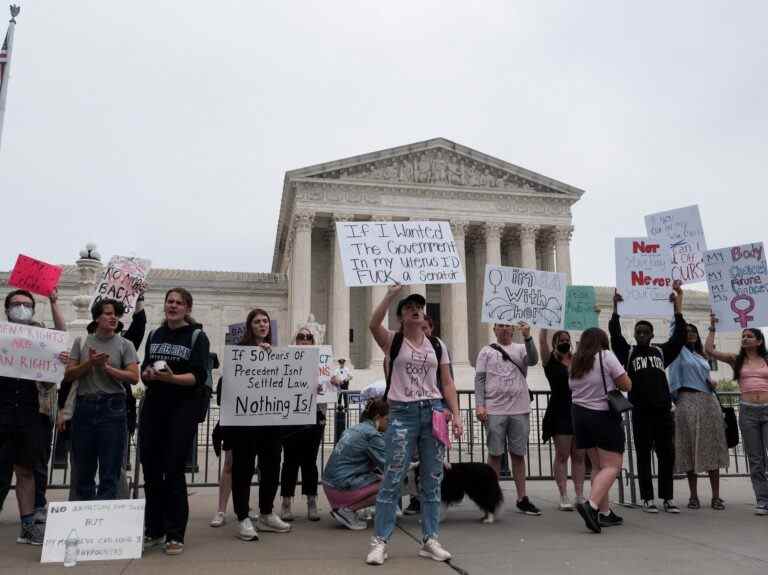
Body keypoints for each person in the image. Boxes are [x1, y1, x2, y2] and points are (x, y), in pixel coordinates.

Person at [365, 286, 463, 566]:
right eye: (409, 307)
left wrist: (455, 414)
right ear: (401, 317)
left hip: (433, 411)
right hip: (402, 414)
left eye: (419, 306)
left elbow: (447, 382)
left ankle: (430, 538)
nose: (416, 309)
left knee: (432, 480)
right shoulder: (393, 341)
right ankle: (380, 541)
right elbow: (372, 324)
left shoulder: (437, 345)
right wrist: (389, 296)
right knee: (392, 478)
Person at [139, 288, 211, 555]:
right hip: (154, 407)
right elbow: (145, 368)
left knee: (173, 470)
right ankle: (154, 529)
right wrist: (147, 374)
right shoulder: (154, 335)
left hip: (181, 410)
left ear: (187, 308)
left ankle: (175, 533)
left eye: (179, 303)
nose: (173, 306)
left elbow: (198, 376)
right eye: (170, 301)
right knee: (151, 470)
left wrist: (171, 379)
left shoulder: (196, 337)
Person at [609, 281, 686, 513]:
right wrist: (615, 309)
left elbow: (679, 337)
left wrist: (677, 308)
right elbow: (615, 336)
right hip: (640, 411)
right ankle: (647, 498)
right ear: (635, 335)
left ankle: (668, 498)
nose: (642, 334)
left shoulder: (661, 352)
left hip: (663, 411)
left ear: (652, 335)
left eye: (645, 332)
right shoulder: (629, 352)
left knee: (666, 455)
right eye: (638, 332)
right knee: (643, 455)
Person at [0, 288, 67, 545]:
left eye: (26, 304)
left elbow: (60, 337)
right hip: (2, 408)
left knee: (26, 469)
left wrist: (54, 301)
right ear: (7, 309)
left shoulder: (41, 336)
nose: (21, 308)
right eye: (16, 304)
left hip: (30, 411)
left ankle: (28, 524)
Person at [61, 299, 139, 500]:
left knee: (110, 469)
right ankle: (84, 519)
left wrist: (107, 369)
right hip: (85, 407)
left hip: (113, 407)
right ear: (97, 317)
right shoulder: (82, 342)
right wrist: (90, 364)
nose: (113, 317)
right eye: (108, 313)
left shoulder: (125, 344)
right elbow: (69, 374)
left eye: (116, 314)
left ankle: (104, 520)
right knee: (83, 469)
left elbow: (133, 377)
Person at [226, 308, 291, 542]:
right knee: (243, 469)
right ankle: (243, 516)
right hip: (245, 423)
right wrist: (254, 355)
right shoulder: (240, 352)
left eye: (265, 321)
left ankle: (266, 512)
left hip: (271, 421)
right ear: (249, 326)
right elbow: (229, 383)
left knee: (273, 466)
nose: (262, 325)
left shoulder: (278, 353)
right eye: (257, 322)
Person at [569, 327, 632, 533]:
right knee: (613, 465)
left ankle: (604, 513)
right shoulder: (606, 356)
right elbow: (626, 384)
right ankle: (591, 505)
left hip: (579, 415)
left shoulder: (576, 362)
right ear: (603, 341)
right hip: (602, 415)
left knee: (597, 466)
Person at [474, 322, 541, 516]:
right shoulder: (486, 351)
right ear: (494, 329)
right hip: (494, 408)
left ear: (513, 330)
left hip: (519, 408)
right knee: (494, 454)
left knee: (518, 454)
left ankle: (522, 498)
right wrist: (480, 404)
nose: (504, 329)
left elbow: (534, 360)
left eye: (507, 326)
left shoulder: (521, 348)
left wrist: (528, 336)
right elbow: (479, 380)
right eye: (500, 325)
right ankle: (491, 500)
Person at [705, 316, 768, 515]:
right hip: (748, 411)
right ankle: (762, 500)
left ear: (759, 341)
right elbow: (709, 351)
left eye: (750, 336)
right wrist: (713, 327)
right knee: (756, 458)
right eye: (743, 336)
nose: (745, 338)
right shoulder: (736, 359)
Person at [669, 322, 729, 510]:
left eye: (693, 331)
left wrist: (711, 383)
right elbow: (674, 381)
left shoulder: (700, 355)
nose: (691, 334)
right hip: (686, 400)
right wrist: (676, 302)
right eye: (686, 331)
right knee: (688, 447)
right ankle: (693, 496)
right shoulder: (678, 352)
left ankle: (716, 496)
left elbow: (703, 374)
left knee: (712, 446)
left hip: (707, 401)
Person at [280, 327, 327, 522]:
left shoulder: (323, 364)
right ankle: (286, 502)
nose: (305, 340)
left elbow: (330, 390)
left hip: (315, 415)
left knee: (310, 461)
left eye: (309, 337)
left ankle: (311, 500)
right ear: (295, 340)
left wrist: (330, 383)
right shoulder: (285, 361)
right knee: (290, 461)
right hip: (291, 416)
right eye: (301, 337)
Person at [322, 398, 389, 530]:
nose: (389, 424)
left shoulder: (354, 429)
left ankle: (349, 509)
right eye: (387, 420)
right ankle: (347, 510)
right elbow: (388, 465)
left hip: (330, 485)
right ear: (377, 417)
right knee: (392, 483)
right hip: (340, 488)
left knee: (380, 477)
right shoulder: (371, 435)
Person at [539, 328, 586, 511]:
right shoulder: (550, 361)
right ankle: (563, 495)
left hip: (579, 410)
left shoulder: (577, 361)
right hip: (560, 411)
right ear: (555, 343)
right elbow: (542, 342)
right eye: (561, 340)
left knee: (579, 456)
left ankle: (580, 495)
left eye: (567, 339)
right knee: (562, 455)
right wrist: (542, 326)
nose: (565, 342)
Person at [209, 376, 233, 528]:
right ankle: (221, 510)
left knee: (245, 467)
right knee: (229, 465)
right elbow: (221, 402)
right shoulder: (226, 379)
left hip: (249, 423)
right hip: (233, 422)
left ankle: (242, 507)